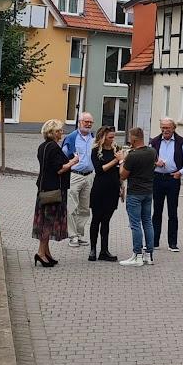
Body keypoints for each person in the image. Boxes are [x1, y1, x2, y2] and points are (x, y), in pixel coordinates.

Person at [32, 119, 78, 267]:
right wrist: (73, 162)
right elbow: (59, 169)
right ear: (52, 133)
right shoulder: (53, 148)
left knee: (46, 221)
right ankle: (40, 252)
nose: (61, 133)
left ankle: (46, 252)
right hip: (53, 190)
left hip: (44, 188)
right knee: (48, 222)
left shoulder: (42, 146)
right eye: (59, 131)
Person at [151, 117, 183, 251]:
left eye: (167, 128)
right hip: (158, 178)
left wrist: (181, 172)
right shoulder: (154, 142)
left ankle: (172, 243)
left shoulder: (182, 142)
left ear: (173, 128)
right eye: (163, 128)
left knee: (172, 211)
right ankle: (154, 242)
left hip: (173, 178)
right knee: (157, 211)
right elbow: (147, 159)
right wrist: (155, 163)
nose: (165, 130)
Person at [119, 127, 158, 266]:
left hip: (135, 193)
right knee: (147, 222)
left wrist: (122, 161)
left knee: (135, 224)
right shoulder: (152, 151)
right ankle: (149, 255)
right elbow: (154, 165)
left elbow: (123, 175)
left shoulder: (132, 155)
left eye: (130, 138)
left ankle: (137, 255)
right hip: (148, 191)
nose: (129, 140)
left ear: (134, 139)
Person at [89, 125, 125, 261]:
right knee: (96, 219)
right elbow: (99, 170)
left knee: (106, 221)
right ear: (103, 137)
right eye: (110, 137)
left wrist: (122, 185)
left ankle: (104, 250)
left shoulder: (117, 149)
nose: (113, 139)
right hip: (99, 188)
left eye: (113, 137)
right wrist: (115, 160)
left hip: (113, 188)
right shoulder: (95, 150)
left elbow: (121, 169)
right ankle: (93, 249)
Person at [61, 111, 96, 247]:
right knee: (72, 206)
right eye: (85, 121)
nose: (88, 124)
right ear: (79, 122)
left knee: (85, 207)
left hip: (89, 176)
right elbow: (63, 155)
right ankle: (72, 235)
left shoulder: (94, 138)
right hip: (75, 175)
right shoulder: (71, 137)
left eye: (90, 122)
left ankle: (80, 234)